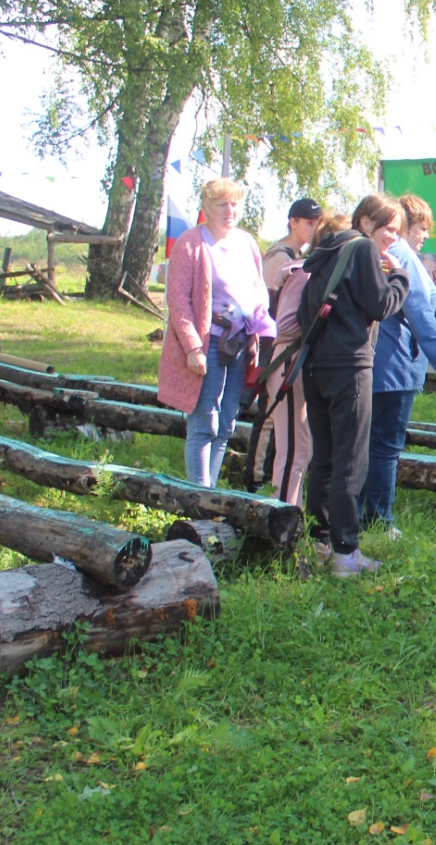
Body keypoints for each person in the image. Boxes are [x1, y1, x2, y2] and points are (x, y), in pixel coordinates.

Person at [298, 194, 409, 577]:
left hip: (317, 365)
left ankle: (320, 540)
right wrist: (399, 277)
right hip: (350, 366)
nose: (392, 238)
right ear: (365, 222)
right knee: (351, 460)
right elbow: (381, 305)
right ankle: (346, 554)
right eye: (388, 229)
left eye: (398, 231)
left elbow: (303, 309)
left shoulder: (326, 249)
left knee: (325, 457)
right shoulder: (361, 248)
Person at [361, 193, 436, 530]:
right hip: (394, 367)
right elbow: (420, 313)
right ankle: (380, 517)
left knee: (368, 443)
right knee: (386, 446)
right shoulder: (401, 257)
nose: (426, 235)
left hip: (375, 363)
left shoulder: (377, 252)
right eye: (422, 227)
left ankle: (362, 510)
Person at [158, 178, 270, 487]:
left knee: (226, 423)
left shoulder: (246, 243)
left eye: (234, 203)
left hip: (239, 341)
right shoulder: (191, 243)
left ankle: (210, 493)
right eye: (222, 204)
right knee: (204, 421)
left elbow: (258, 290)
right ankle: (200, 495)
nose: (229, 210)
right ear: (206, 208)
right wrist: (193, 347)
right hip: (208, 342)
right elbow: (178, 301)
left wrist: (256, 335)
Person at [268, 213, 350, 506]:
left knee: (304, 449)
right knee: (293, 451)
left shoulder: (318, 271)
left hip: (305, 362)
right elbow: (287, 325)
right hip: (291, 360)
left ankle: (293, 517)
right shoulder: (304, 272)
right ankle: (280, 519)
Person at [261, 197, 323, 298]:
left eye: (318, 224)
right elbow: (272, 303)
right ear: (293, 223)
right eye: (310, 223)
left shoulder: (298, 255)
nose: (315, 229)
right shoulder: (280, 257)